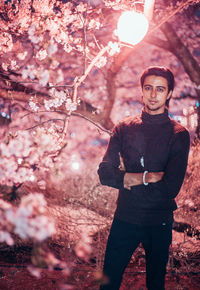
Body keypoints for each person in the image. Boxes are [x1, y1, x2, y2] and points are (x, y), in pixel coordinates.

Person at [97, 66, 190, 290]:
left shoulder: (178, 135)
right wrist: (148, 177)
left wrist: (127, 180)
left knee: (155, 284)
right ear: (142, 91)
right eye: (148, 88)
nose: (153, 94)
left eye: (160, 89)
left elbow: (170, 189)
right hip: (125, 218)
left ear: (168, 94)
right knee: (108, 283)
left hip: (159, 222)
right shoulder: (124, 128)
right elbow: (105, 173)